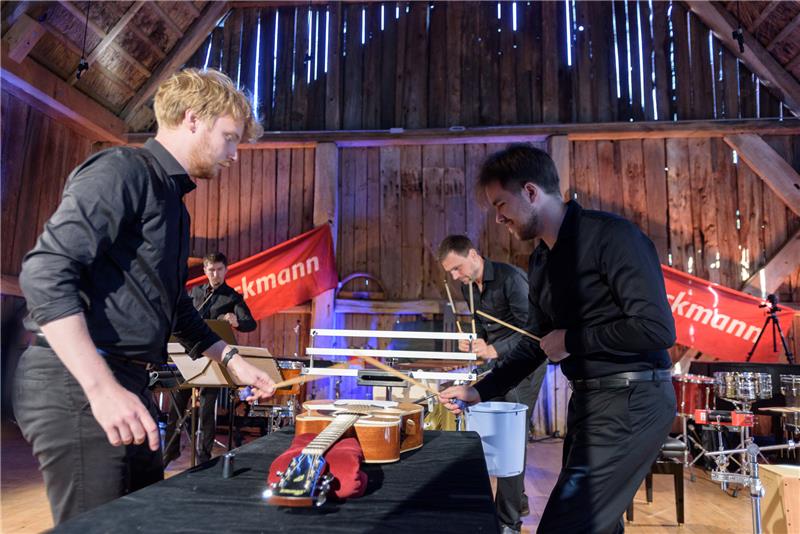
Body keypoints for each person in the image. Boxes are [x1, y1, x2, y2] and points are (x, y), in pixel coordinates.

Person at [13, 69, 276, 525]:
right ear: (192, 118)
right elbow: (44, 272)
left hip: (127, 382)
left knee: (146, 520)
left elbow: (175, 308)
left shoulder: (174, 202)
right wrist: (100, 387)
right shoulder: (122, 170)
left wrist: (234, 361)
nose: (235, 154)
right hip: (76, 380)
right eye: (230, 138)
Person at [440, 144, 676, 534]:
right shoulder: (541, 260)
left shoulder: (612, 237)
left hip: (634, 400)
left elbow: (656, 329)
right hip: (588, 402)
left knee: (566, 525)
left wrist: (572, 339)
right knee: (597, 525)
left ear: (531, 192)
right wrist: (479, 391)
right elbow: (535, 342)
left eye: (501, 204)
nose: (498, 219)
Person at [439, 235, 546, 534]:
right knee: (488, 427)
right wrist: (477, 341)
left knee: (511, 438)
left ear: (473, 254)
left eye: (458, 268)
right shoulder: (467, 286)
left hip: (526, 364)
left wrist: (495, 349)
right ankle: (518, 499)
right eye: (451, 273)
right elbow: (483, 326)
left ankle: (508, 522)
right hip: (498, 364)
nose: (456, 276)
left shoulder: (512, 279)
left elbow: (532, 332)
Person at [164, 251, 257, 465]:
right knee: (176, 404)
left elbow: (250, 323)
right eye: (211, 270)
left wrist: (236, 321)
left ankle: (204, 457)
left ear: (226, 270)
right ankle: (171, 450)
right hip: (189, 355)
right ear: (205, 270)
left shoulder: (232, 297)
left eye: (219, 270)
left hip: (213, 359)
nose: (215, 274)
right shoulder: (194, 292)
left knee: (207, 410)